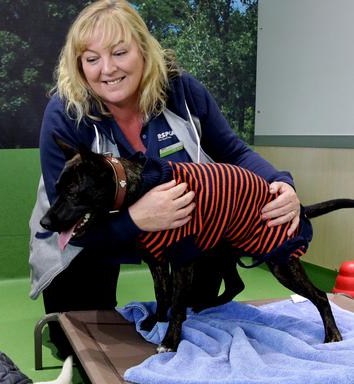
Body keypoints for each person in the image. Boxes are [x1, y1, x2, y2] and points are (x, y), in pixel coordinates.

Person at [28, 0, 301, 353]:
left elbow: (233, 152)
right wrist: (136, 220)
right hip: (89, 237)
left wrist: (282, 183)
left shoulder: (183, 91)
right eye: (91, 59)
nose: (107, 69)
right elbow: (67, 216)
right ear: (79, 65)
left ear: (143, 50)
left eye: (119, 53)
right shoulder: (64, 112)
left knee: (199, 325)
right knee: (75, 345)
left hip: (181, 227)